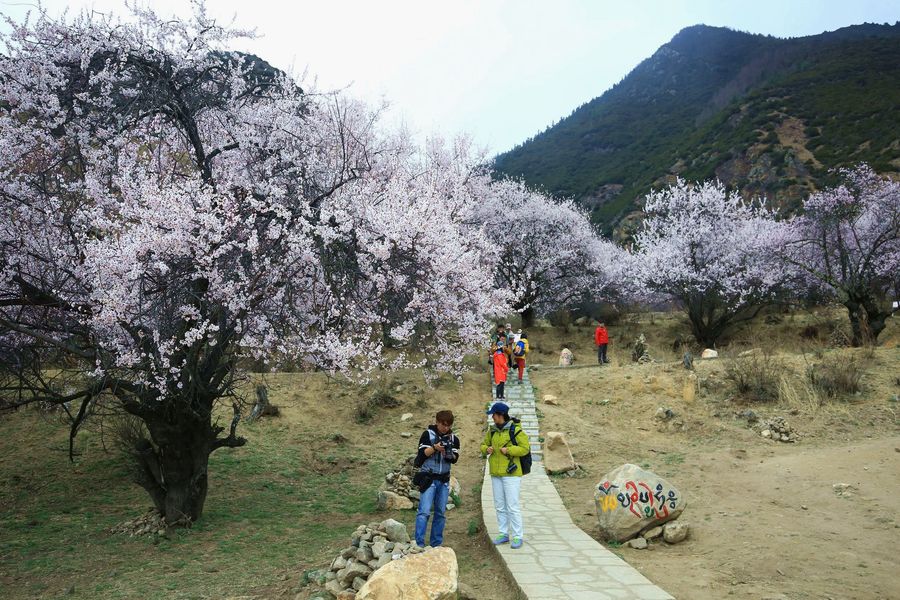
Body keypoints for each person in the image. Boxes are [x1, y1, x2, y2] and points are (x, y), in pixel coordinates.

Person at [481, 402, 530, 549]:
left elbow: (524, 448)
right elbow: (483, 445)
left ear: (500, 415)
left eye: (493, 415)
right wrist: (486, 449)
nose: (492, 417)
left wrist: (509, 450)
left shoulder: (516, 430)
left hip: (511, 474)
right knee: (499, 505)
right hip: (496, 473)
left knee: (512, 505)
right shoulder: (492, 431)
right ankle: (503, 533)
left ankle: (517, 535)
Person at [414, 410, 460, 548]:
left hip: (444, 480)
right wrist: (435, 447)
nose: (446, 428)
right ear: (437, 422)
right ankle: (418, 544)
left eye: (449, 425)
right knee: (424, 512)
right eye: (443, 425)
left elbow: (455, 459)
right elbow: (421, 455)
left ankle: (436, 544)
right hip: (429, 478)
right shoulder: (428, 434)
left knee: (440, 513)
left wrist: (448, 453)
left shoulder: (454, 439)